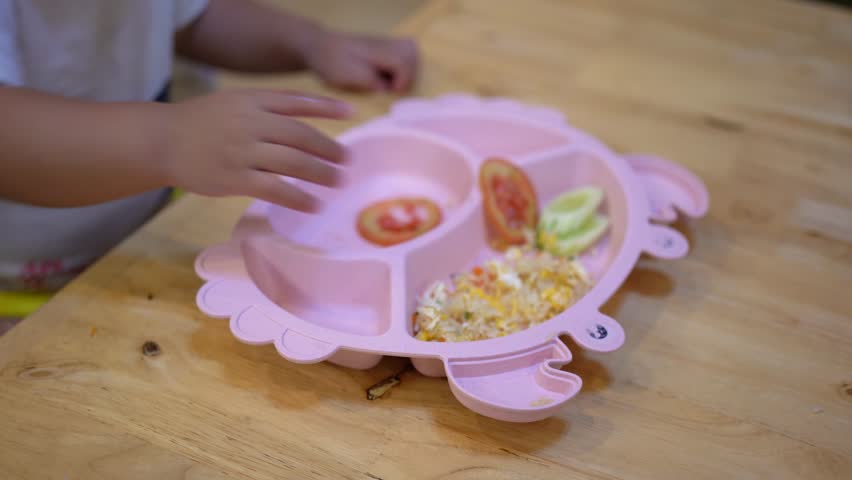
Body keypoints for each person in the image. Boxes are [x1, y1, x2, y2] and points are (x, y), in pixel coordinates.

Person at [0, 0, 419, 297]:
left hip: (141, 238)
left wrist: (310, 43)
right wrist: (169, 141)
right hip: (16, 287)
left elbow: (194, 16)